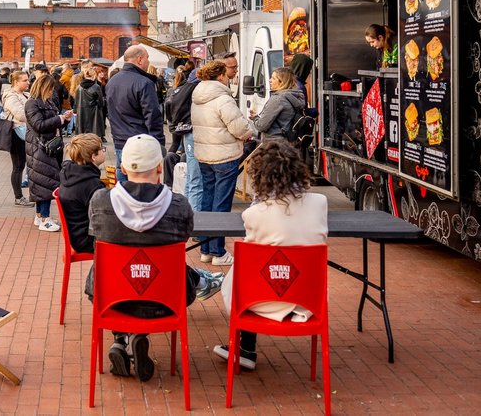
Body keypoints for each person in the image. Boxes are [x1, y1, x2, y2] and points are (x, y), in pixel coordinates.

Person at [85, 134, 224, 381]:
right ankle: (130, 338)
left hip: (113, 302)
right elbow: (185, 235)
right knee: (152, 269)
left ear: (124, 168)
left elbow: (94, 235)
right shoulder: (179, 206)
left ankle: (122, 337)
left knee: (118, 269)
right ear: (160, 167)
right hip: (166, 303)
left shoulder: (100, 201)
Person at [212, 138, 328, 370]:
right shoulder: (320, 203)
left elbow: (254, 254)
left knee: (243, 271)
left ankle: (245, 347)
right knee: (260, 265)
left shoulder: (255, 214)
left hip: (261, 300)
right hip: (308, 300)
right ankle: (245, 349)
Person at [191, 60, 257, 265]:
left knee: (207, 201)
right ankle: (218, 252)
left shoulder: (197, 96)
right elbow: (239, 128)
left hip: (204, 154)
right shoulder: (222, 98)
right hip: (225, 155)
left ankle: (206, 249)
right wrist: (250, 131)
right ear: (220, 76)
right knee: (221, 203)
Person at [105, 45, 165, 175]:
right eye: (147, 58)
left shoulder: (112, 81)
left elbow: (109, 111)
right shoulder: (144, 82)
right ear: (140, 59)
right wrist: (158, 143)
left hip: (120, 141)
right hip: (140, 144)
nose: (149, 62)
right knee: (142, 186)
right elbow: (153, 116)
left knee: (123, 185)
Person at [25, 74, 69, 232]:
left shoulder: (47, 102)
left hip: (48, 146)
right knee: (44, 183)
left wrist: (64, 119)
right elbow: (39, 125)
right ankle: (45, 218)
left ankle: (40, 215)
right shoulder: (32, 103)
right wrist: (59, 119)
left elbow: (51, 124)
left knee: (42, 181)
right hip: (39, 147)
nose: (52, 91)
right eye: (50, 88)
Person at [58, 133, 106, 253]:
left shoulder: (71, 173)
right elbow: (102, 217)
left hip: (76, 234)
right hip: (86, 240)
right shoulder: (91, 184)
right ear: (93, 156)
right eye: (102, 149)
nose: (104, 151)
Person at [165, 66, 202, 212]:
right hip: (192, 136)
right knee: (195, 180)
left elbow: (174, 142)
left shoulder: (177, 92)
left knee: (191, 180)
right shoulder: (194, 93)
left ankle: (185, 211)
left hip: (183, 134)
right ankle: (195, 219)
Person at [1, 70, 31, 207]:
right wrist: (34, 116)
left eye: (28, 80)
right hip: (16, 133)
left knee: (21, 164)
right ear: (15, 82)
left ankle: (20, 197)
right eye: (24, 80)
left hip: (24, 132)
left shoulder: (24, 94)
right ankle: (18, 197)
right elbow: (20, 114)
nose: (28, 82)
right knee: (18, 166)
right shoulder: (11, 96)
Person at [251, 67, 306, 141]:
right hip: (287, 142)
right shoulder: (294, 96)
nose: (270, 80)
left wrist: (255, 118)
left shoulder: (278, 99)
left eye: (273, 78)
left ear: (281, 82)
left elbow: (261, 126)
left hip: (273, 144)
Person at [74, 64, 106, 140]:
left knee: (83, 135)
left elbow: (76, 101)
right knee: (94, 135)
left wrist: (75, 110)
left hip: (81, 112)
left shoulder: (79, 87)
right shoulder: (96, 87)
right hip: (94, 113)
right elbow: (101, 102)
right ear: (94, 75)